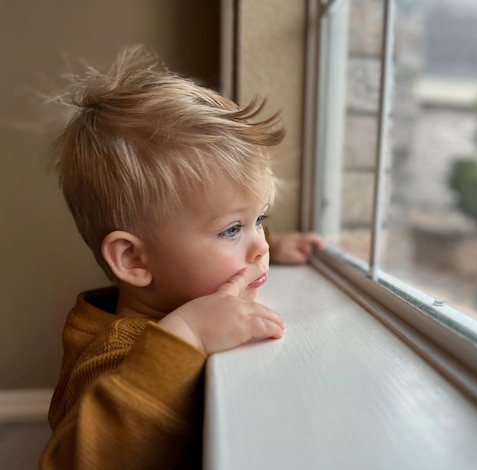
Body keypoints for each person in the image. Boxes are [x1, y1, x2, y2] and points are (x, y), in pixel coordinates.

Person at [39, 46, 322, 469]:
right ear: (134, 260)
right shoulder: (113, 357)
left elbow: (221, 240)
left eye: (259, 218)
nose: (258, 243)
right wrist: (187, 335)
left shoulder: (173, 287)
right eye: (231, 229)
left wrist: (271, 245)